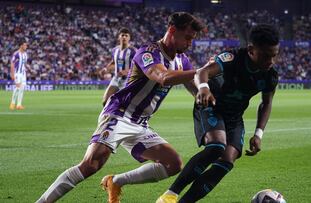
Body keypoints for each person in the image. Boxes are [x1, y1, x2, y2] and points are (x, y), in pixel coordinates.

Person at [36, 12, 205, 203]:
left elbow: (196, 88)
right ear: (172, 30)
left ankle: (115, 182)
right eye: (188, 37)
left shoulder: (182, 60)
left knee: (173, 163)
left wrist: (206, 91)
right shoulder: (148, 52)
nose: (190, 43)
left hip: (140, 123)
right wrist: (202, 71)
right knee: (91, 164)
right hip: (119, 114)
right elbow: (163, 77)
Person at [157, 24, 280, 203]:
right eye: (266, 56)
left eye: (274, 55)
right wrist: (204, 88)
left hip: (234, 117)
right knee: (216, 146)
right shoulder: (232, 58)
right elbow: (203, 72)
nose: (271, 61)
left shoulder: (270, 76)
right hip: (210, 104)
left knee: (227, 160)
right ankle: (170, 195)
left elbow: (266, 103)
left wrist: (258, 134)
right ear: (251, 50)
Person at [99, 28, 137, 106]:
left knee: (124, 104)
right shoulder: (114, 50)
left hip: (128, 80)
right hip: (116, 79)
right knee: (105, 101)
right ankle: (110, 117)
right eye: (122, 35)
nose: (124, 37)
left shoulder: (133, 51)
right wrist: (106, 69)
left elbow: (139, 67)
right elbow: (114, 62)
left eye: (126, 36)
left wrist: (126, 71)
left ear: (129, 38)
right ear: (118, 37)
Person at [9, 40, 29, 110]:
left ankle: (19, 105)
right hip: (17, 73)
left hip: (23, 74)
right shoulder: (16, 54)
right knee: (17, 88)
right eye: (25, 45)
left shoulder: (25, 54)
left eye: (26, 45)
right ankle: (12, 103)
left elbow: (24, 64)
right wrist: (12, 74)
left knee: (22, 88)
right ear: (21, 46)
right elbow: (12, 64)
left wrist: (26, 70)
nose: (26, 46)